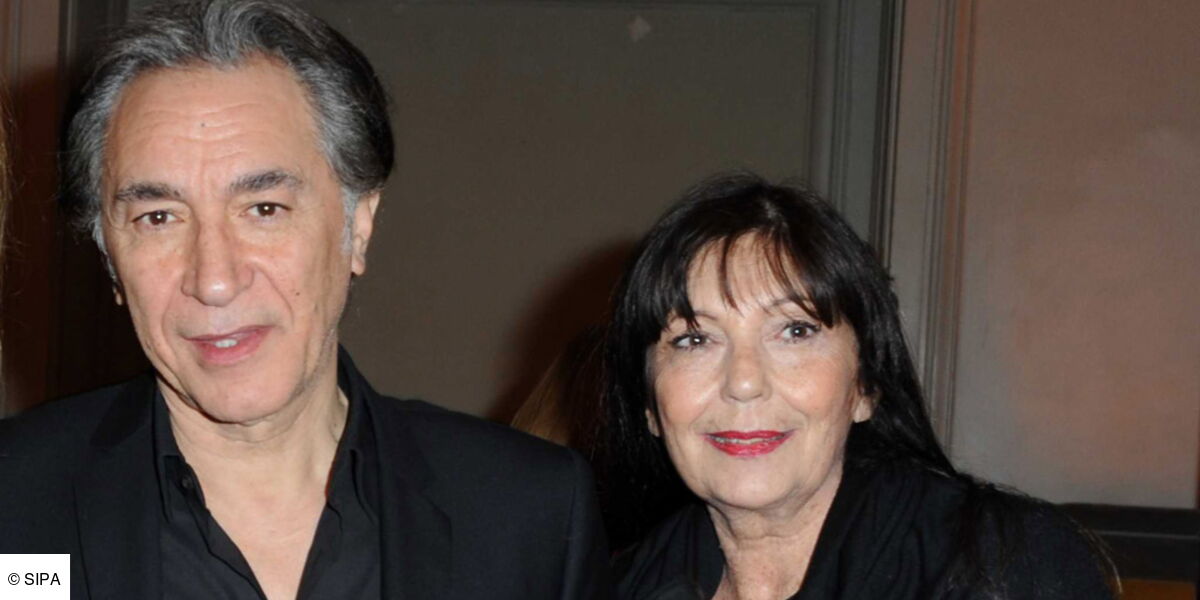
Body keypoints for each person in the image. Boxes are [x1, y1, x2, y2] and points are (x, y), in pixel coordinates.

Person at [0, 1, 608, 599]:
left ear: (356, 227)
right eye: (158, 217)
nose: (214, 280)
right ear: (109, 257)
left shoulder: (529, 517)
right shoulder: (16, 507)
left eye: (264, 209)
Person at [601, 173, 1114, 599]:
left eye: (795, 331)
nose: (744, 382)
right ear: (649, 403)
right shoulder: (614, 586)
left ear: (865, 384)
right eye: (694, 339)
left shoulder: (1005, 566)